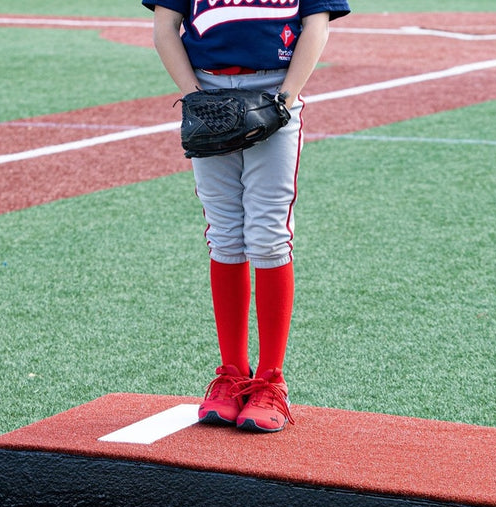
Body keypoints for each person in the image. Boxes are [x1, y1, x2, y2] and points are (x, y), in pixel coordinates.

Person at [145, 0, 351, 432]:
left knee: (269, 235)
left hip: (275, 91)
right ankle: (232, 373)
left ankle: (271, 380)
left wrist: (285, 99)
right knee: (224, 234)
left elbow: (316, 25)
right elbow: (165, 27)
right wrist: (195, 96)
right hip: (207, 91)